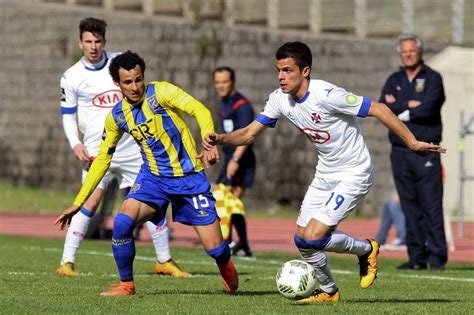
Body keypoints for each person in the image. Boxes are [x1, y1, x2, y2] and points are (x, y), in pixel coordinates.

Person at [203, 41, 446, 303]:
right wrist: (220, 139)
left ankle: (366, 249)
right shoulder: (279, 100)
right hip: (325, 174)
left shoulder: (327, 94)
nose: (281, 77)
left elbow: (379, 109)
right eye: (278, 70)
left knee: (315, 236)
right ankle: (330, 291)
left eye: (287, 71)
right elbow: (249, 133)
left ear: (305, 71)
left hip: (355, 172)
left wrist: (412, 143)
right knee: (302, 239)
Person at [55, 50, 238, 297]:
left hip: (189, 179)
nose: (135, 86)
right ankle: (126, 284)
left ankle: (224, 263)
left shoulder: (161, 92)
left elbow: (199, 110)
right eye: (128, 82)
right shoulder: (118, 116)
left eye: (138, 79)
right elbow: (102, 160)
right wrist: (78, 202)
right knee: (122, 222)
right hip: (153, 180)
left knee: (216, 249)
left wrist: (209, 141)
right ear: (117, 84)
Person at [57, 17, 189, 278]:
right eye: (88, 41)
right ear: (80, 42)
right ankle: (66, 262)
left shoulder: (120, 66)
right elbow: (67, 114)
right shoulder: (71, 77)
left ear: (104, 41)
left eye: (97, 41)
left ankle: (164, 260)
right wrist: (75, 143)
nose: (93, 46)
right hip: (98, 149)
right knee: (90, 201)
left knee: (152, 200)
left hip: (132, 149)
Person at [380, 34, 448, 271]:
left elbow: (429, 107)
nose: (408, 54)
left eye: (412, 50)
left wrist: (402, 110)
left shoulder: (432, 78)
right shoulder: (394, 79)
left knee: (431, 205)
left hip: (426, 151)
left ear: (420, 52)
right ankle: (417, 257)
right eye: (404, 51)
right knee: (408, 205)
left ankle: (437, 258)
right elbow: (383, 108)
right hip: (399, 152)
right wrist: (410, 105)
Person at [212, 66, 256, 257]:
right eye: (218, 82)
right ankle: (241, 245)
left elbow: (247, 135)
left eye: (225, 82)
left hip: (241, 158)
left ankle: (234, 243)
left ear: (233, 82)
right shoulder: (224, 103)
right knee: (228, 200)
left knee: (230, 200)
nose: (221, 86)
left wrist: (236, 159)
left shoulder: (242, 105)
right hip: (230, 157)